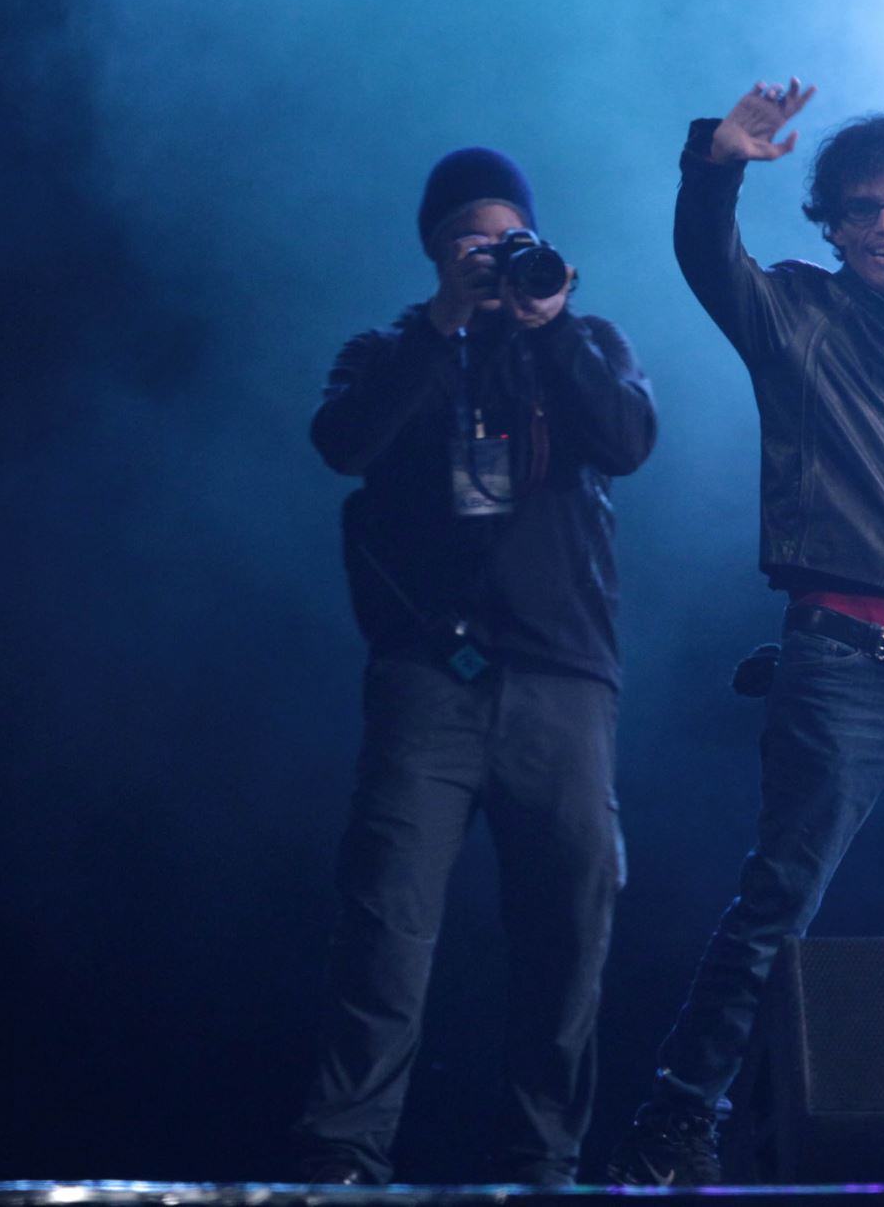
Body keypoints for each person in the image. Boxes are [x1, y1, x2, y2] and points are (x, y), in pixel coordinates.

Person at [606, 80, 884, 1185]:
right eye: (858, 210)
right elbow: (708, 259)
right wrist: (719, 162)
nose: (883, 225)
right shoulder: (794, 312)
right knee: (777, 907)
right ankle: (674, 1124)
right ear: (832, 226)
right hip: (838, 657)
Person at [295, 147, 656, 1187]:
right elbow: (343, 443)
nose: (494, 258)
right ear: (435, 250)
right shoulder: (389, 349)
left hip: (563, 678)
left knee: (569, 931)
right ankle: (342, 1160)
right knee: (387, 924)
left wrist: (550, 331)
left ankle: (543, 1161)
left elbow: (629, 442)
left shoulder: (584, 340)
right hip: (427, 677)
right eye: (471, 240)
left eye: (511, 239)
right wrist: (443, 324)